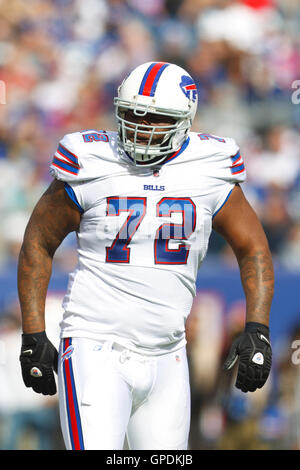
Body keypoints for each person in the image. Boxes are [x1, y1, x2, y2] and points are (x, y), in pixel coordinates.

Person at [17, 61, 274, 450]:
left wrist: (258, 328)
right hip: (94, 346)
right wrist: (34, 333)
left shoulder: (210, 165)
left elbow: (252, 246)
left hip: (169, 353)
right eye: (131, 115)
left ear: (185, 119)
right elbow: (38, 241)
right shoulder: (91, 159)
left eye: (155, 118)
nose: (140, 127)